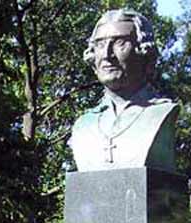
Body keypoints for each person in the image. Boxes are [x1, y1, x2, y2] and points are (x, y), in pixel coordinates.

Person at [70, 9, 179, 172]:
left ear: (144, 52)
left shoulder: (162, 113)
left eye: (119, 43)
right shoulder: (83, 124)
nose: (107, 55)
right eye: (99, 44)